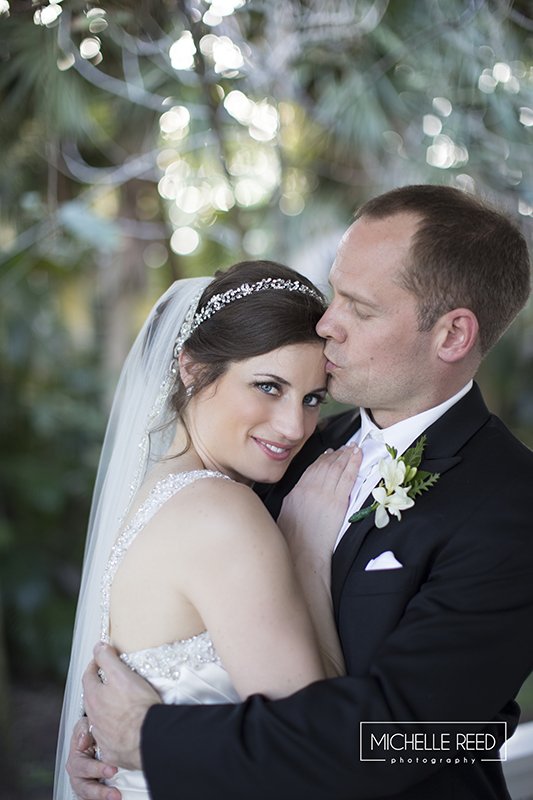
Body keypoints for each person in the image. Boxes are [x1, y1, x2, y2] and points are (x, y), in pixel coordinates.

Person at [68, 185, 533, 800]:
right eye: (334, 292)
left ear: (452, 336)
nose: (326, 323)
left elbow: (416, 738)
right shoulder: (288, 447)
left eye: (359, 308)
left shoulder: (511, 504)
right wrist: (110, 747)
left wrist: (151, 739)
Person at [54, 259, 362, 800]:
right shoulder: (221, 513)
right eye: (268, 386)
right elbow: (312, 754)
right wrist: (308, 557)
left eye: (313, 398)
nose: (294, 426)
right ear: (193, 369)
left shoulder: (152, 496)